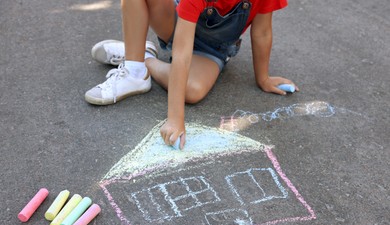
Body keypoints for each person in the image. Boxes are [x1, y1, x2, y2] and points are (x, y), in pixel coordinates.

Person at [85, 0, 298, 149]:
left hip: (212, 50)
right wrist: (175, 118)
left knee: (193, 90)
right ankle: (134, 69)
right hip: (178, 27)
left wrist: (263, 78)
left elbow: (261, 32)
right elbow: (182, 52)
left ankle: (143, 57)